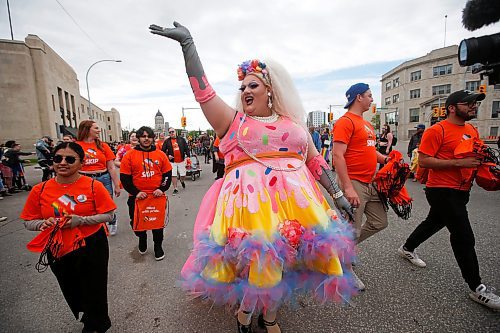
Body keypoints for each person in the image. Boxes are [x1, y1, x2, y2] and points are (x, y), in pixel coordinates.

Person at [150, 22, 355, 333]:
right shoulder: (233, 122)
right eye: (242, 87)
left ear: (269, 89)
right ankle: (245, 314)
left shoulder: (294, 123)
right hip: (252, 208)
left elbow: (314, 160)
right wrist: (188, 46)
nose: (245, 90)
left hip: (298, 207)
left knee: (285, 264)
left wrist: (338, 195)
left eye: (253, 85)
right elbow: (204, 93)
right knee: (262, 264)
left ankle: (269, 317)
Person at [398, 90, 500, 310]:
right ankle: (477, 288)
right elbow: (424, 161)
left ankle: (407, 247)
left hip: (462, 189)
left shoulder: (472, 129)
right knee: (463, 235)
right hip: (441, 190)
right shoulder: (437, 130)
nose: (474, 106)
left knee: (434, 222)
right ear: (452, 107)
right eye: (469, 103)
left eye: (475, 103)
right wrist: (457, 164)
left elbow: (476, 154)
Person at [20, 141, 117, 332]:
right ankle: (88, 314)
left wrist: (80, 220)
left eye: (70, 159)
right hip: (58, 247)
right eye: (58, 158)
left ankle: (97, 323)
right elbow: (28, 221)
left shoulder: (93, 186)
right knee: (71, 286)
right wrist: (42, 223)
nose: (63, 162)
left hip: (91, 244)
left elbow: (109, 215)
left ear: (81, 163)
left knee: (94, 285)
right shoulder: (39, 190)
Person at [332, 83, 390, 291]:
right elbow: (337, 155)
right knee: (351, 230)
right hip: (354, 183)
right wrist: (347, 188)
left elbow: (370, 150)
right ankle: (345, 269)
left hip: (370, 182)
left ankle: (343, 251)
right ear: (358, 97)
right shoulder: (345, 122)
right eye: (369, 95)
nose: (372, 99)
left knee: (379, 222)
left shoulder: (366, 124)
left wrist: (387, 160)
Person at [120, 126, 172, 261]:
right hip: (136, 198)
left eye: (149, 136)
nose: (146, 139)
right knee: (136, 225)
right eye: (143, 136)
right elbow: (125, 178)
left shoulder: (161, 155)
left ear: (152, 138)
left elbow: (167, 174)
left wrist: (162, 189)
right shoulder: (129, 155)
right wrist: (136, 192)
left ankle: (158, 246)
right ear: (139, 138)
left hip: (156, 196)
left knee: (157, 224)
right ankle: (142, 239)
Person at [76, 120, 121, 235]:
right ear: (87, 130)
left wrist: (117, 185)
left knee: (107, 205)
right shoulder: (76, 146)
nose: (99, 130)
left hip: (103, 178)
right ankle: (96, 227)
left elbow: (111, 167)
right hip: (84, 179)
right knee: (87, 205)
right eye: (96, 128)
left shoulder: (103, 146)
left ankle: (112, 220)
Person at [161, 127, 189, 194]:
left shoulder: (181, 139)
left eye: (172, 131)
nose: (171, 133)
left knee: (183, 175)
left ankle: (182, 181)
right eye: (170, 132)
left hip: (181, 160)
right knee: (173, 175)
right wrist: (168, 156)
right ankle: (175, 188)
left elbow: (186, 148)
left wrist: (188, 156)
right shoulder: (167, 141)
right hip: (172, 161)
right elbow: (162, 152)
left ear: (175, 131)